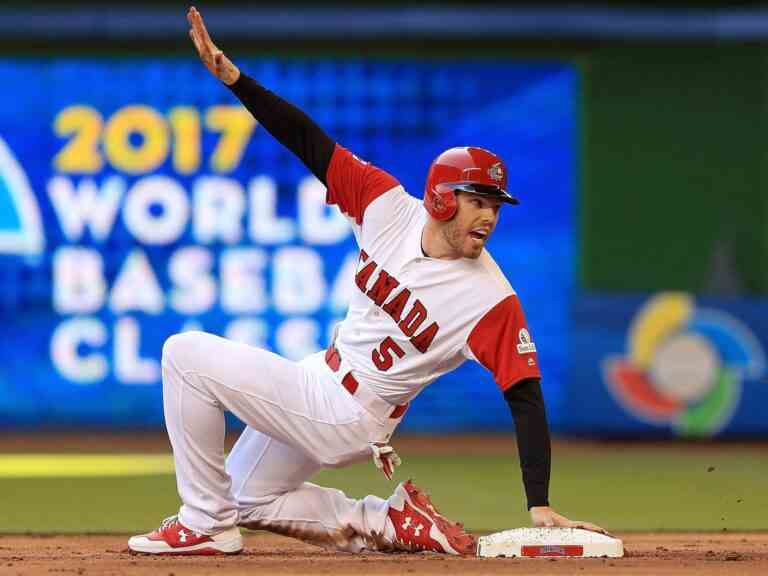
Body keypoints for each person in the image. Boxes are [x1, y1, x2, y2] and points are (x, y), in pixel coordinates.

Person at [128, 6, 607, 556]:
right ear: (441, 198)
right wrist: (238, 82)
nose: (489, 218)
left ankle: (204, 524)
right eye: (478, 202)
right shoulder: (386, 208)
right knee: (244, 497)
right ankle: (389, 522)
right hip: (323, 381)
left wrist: (538, 504)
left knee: (183, 355)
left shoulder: (490, 299)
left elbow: (525, 396)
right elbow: (309, 141)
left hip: (348, 413)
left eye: (495, 207)